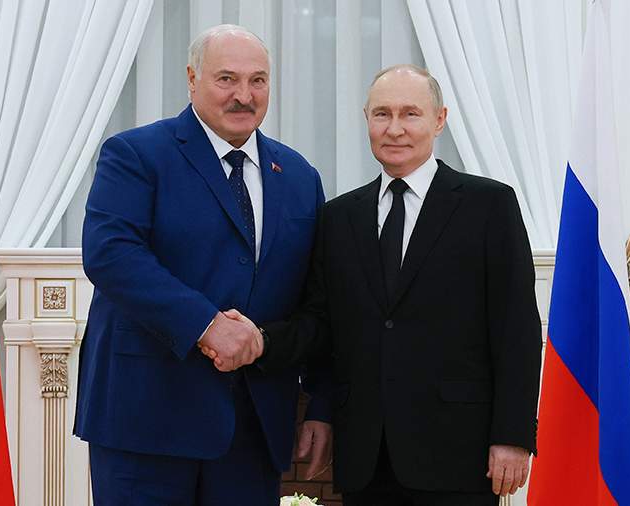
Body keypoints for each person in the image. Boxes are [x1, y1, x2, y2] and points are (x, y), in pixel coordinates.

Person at [205, 64, 543, 506]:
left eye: (410, 114)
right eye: (382, 114)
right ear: (367, 119)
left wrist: (513, 436)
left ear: (439, 119)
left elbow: (516, 329)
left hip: (460, 453)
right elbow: (322, 325)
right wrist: (262, 341)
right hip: (366, 457)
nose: (395, 129)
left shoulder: (489, 205)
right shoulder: (340, 216)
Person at [74, 24, 332, 505]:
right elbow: (112, 255)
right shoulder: (135, 154)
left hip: (253, 430)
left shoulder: (300, 176)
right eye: (227, 79)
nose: (244, 96)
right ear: (192, 79)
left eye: (258, 81)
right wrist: (206, 325)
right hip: (145, 421)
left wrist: (321, 401)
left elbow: (318, 299)